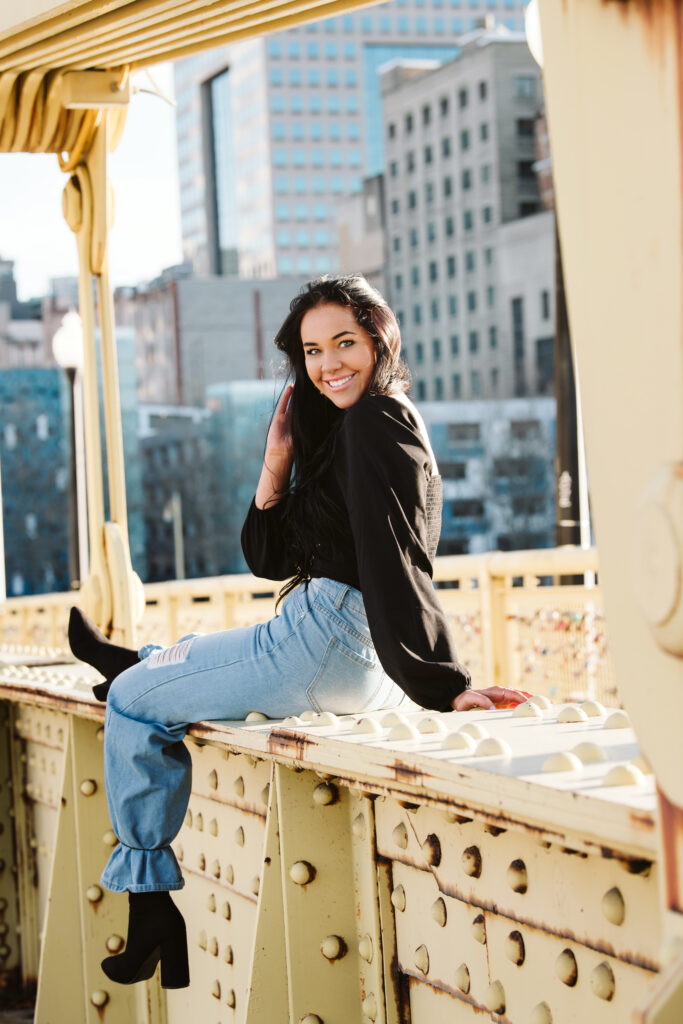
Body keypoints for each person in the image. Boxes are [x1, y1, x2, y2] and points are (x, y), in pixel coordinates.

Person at [68, 274, 527, 990]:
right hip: (335, 644)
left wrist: (442, 687)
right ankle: (140, 658)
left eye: (344, 343)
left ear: (379, 340)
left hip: (325, 639)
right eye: (312, 351)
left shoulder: (376, 421)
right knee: (155, 672)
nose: (328, 364)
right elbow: (269, 559)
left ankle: (152, 907)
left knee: (130, 699)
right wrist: (275, 463)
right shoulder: (355, 427)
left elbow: (393, 554)